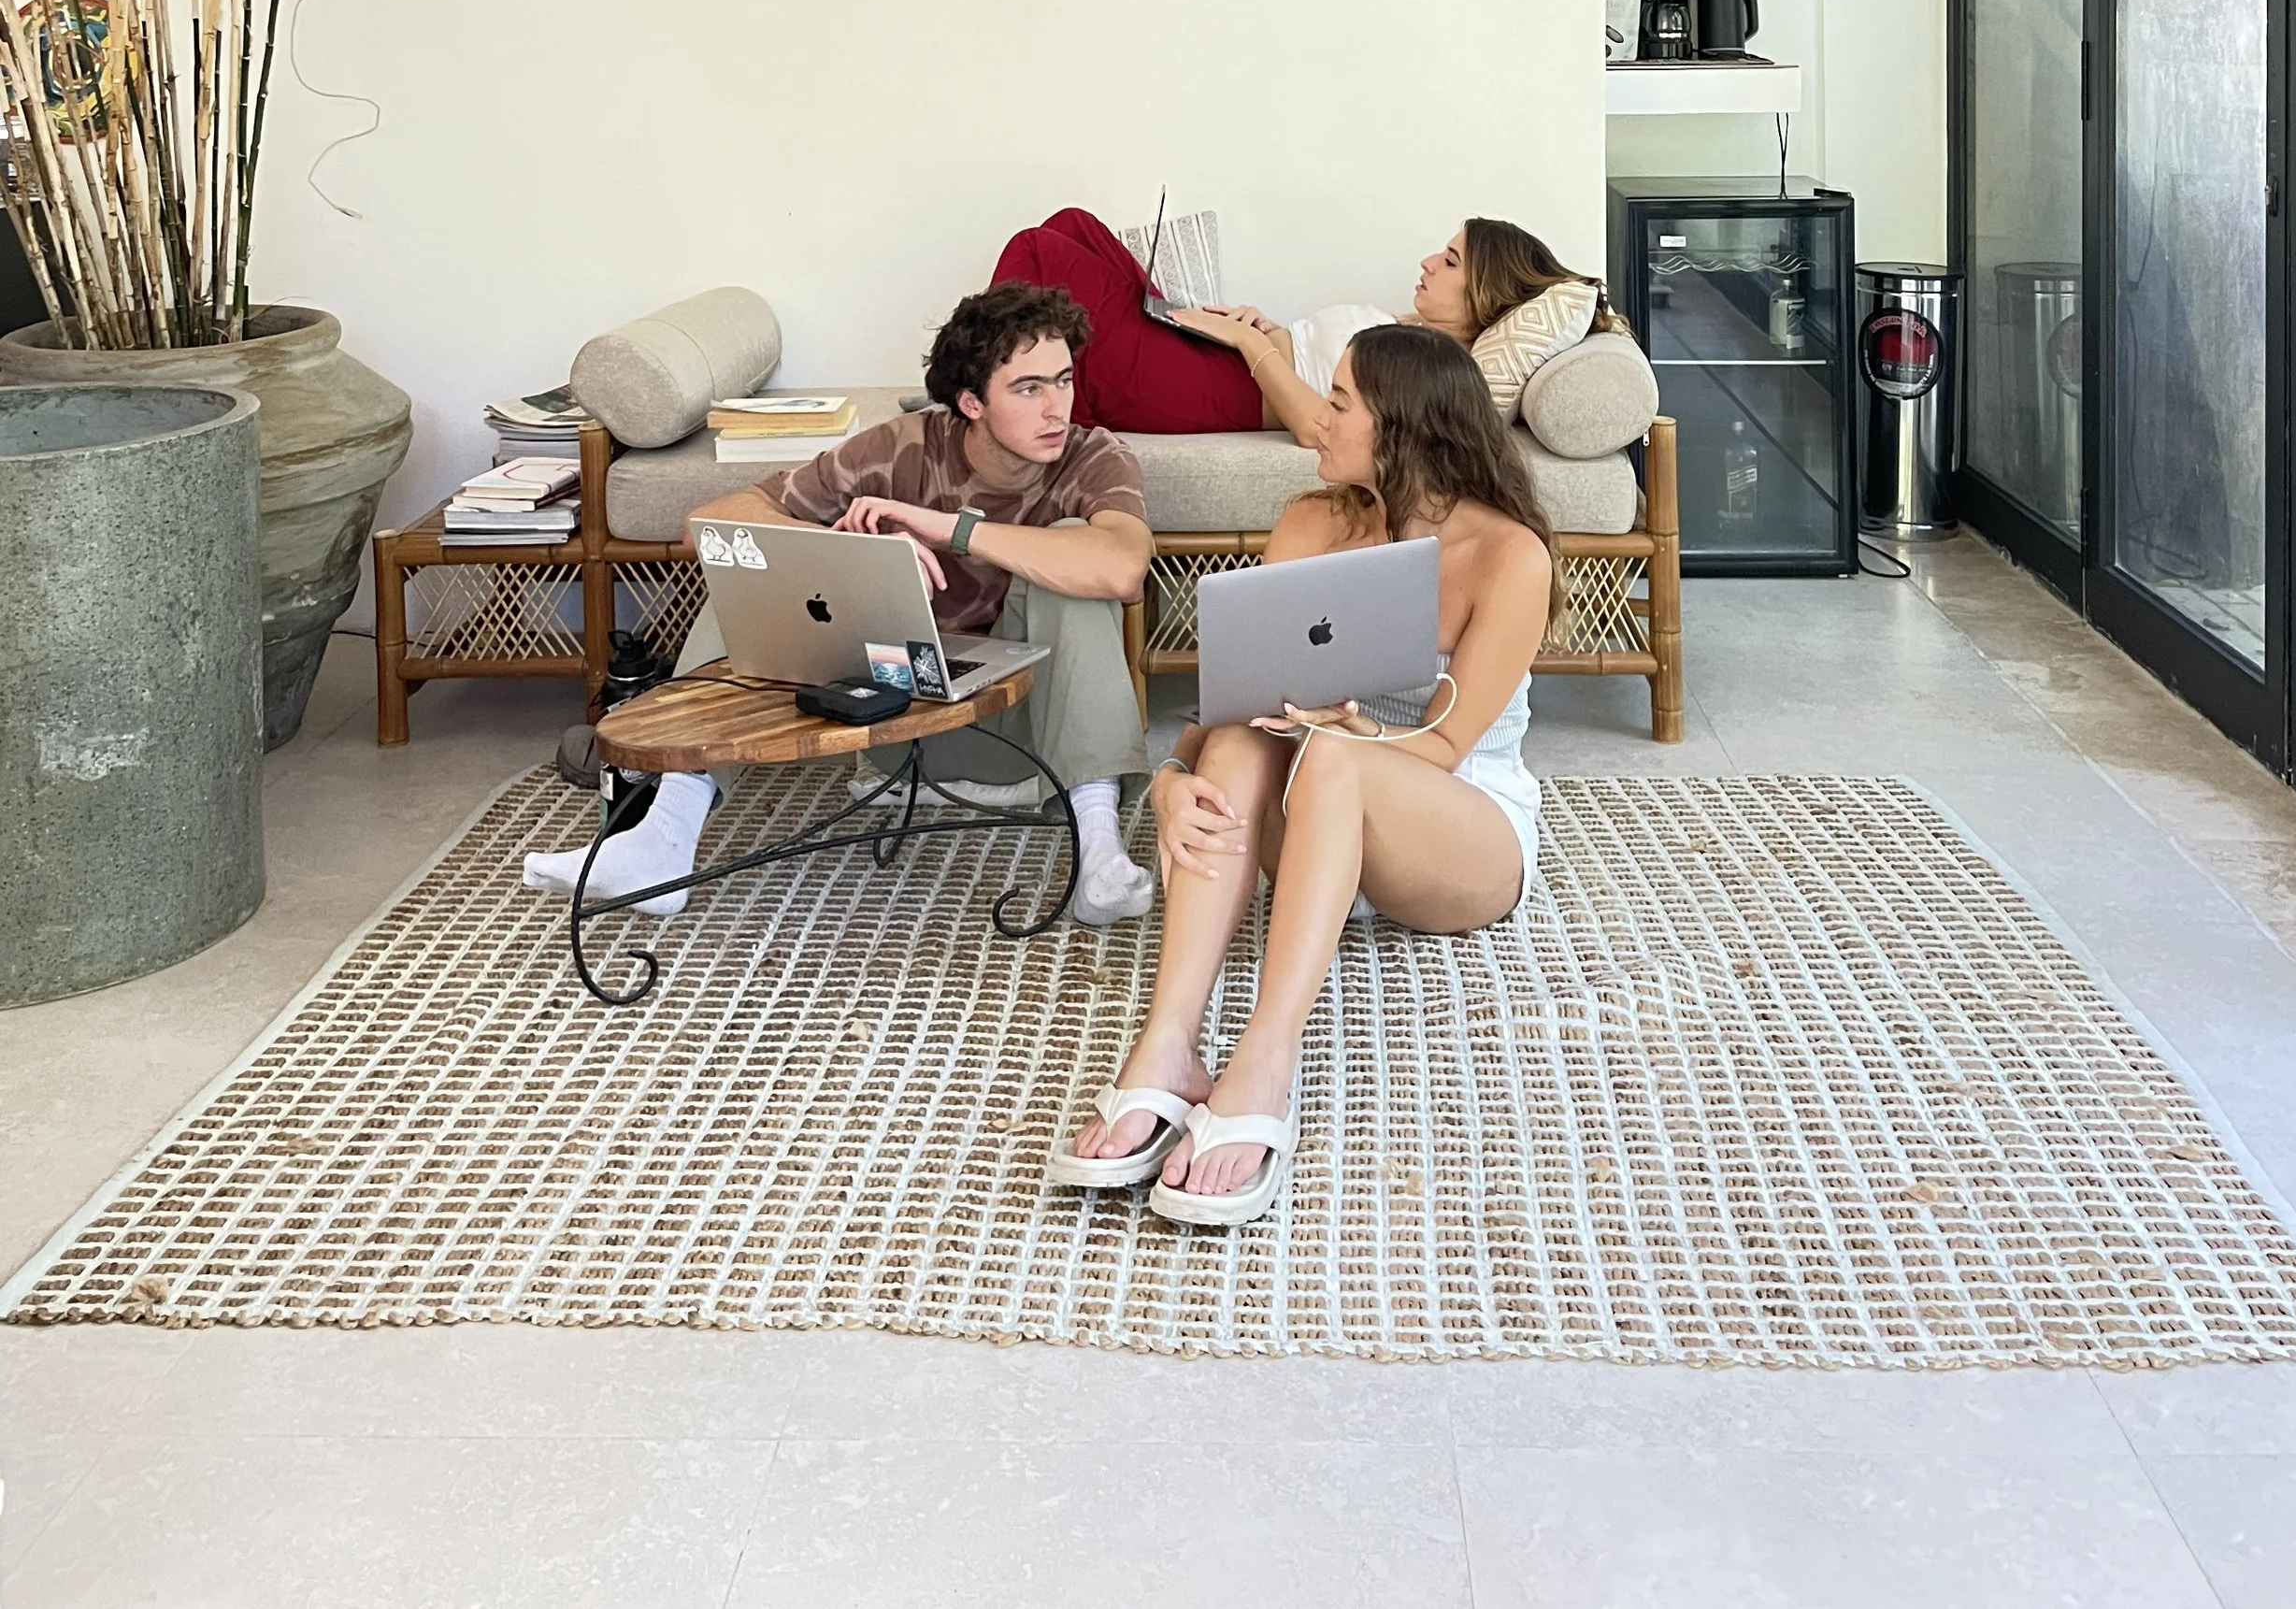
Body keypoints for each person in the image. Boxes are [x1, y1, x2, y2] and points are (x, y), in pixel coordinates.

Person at [1051, 323, 1553, 1227]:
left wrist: (1349, 730)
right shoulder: (1309, 521)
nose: (1317, 420)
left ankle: (1265, 1060)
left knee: (1330, 757)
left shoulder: (1508, 555)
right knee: (1244, 740)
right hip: (1320, 811)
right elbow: (1232, 700)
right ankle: (1168, 1045)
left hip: (1458, 829)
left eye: (1340, 400)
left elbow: (1442, 747)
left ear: (1403, 425)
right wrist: (1169, 778)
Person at [521, 282, 1158, 928]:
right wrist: (851, 550)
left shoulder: (1093, 456)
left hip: (1027, 734)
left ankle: (1098, 852)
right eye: (1029, 388)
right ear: (972, 402)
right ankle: (664, 837)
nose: (1057, 408)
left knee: (1075, 552)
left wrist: (946, 528)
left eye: (1064, 380)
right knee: (752, 560)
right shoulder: (902, 446)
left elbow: (1124, 567)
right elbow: (710, 526)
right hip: (895, 726)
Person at [991, 205, 1611, 438]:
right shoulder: (1410, 331)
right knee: (1074, 225)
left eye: (1449, 261)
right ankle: (1033, 381)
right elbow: (1314, 359)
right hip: (1237, 357)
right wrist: (1270, 330)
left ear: (1484, 296)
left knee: (1039, 249)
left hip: (1226, 387)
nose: (1427, 262)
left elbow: (1321, 424)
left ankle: (995, 393)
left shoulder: (1428, 368)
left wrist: (1247, 345)